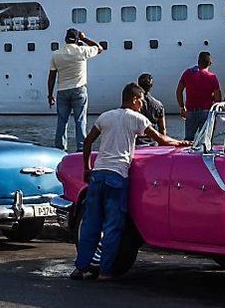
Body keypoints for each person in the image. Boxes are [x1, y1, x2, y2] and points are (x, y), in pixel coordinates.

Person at [71, 83, 186, 280]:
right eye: (140, 101)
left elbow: (88, 142)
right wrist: (183, 143)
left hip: (98, 175)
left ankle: (80, 268)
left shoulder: (105, 116)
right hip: (117, 176)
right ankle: (105, 271)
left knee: (91, 224)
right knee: (113, 226)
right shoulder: (136, 119)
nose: (142, 105)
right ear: (134, 100)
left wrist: (86, 168)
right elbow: (161, 140)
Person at [48, 29, 104, 152]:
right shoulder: (82, 51)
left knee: (62, 122)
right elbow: (99, 48)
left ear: (65, 39)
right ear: (77, 40)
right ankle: (81, 149)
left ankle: (60, 149)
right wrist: (84, 38)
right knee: (80, 121)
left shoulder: (56, 54)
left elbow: (52, 77)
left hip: (62, 91)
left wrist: (50, 96)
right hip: (79, 90)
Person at [176, 51, 222, 141]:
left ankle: (187, 154)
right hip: (206, 112)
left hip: (190, 112)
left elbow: (179, 91)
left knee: (188, 140)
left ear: (198, 61)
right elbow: (218, 98)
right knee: (205, 140)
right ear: (210, 63)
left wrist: (182, 107)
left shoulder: (187, 73)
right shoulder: (212, 77)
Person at [136, 73, 166, 146]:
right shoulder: (158, 105)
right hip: (152, 143)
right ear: (151, 86)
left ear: (138, 85)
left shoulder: (134, 104)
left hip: (137, 143)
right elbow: (162, 128)